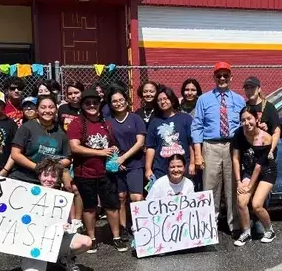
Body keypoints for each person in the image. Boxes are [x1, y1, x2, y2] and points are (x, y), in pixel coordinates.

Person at [0, 158, 92, 271]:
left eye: (54, 176)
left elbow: (67, 222)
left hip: (54, 241)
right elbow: (3, 214)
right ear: (39, 175)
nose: (49, 179)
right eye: (46, 174)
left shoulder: (62, 198)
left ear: (58, 179)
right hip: (33, 246)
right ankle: (28, 262)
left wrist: (65, 225)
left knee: (86, 242)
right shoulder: (25, 193)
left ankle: (62, 259)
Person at [67, 88, 128, 253]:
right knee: (90, 207)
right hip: (84, 172)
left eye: (95, 102)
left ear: (100, 104)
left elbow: (110, 145)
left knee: (112, 205)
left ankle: (116, 237)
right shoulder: (77, 123)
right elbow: (75, 147)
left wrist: (113, 150)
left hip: (105, 172)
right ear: (82, 105)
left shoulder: (105, 123)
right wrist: (99, 152)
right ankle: (92, 238)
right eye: (88, 103)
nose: (92, 105)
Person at [191, 62, 246, 233]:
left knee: (232, 186)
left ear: (231, 77)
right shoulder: (203, 99)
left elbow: (244, 124)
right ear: (214, 77)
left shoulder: (239, 99)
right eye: (218, 75)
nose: (222, 78)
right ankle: (209, 225)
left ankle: (234, 224)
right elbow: (197, 126)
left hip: (232, 146)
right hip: (211, 146)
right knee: (210, 186)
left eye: (225, 75)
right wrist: (198, 154)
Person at [231, 108, 277, 246]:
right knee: (242, 200)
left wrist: (250, 186)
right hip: (249, 170)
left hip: (266, 171)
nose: (246, 122)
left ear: (257, 119)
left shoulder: (266, 138)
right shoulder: (239, 134)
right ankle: (246, 232)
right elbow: (235, 159)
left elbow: (259, 165)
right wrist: (239, 182)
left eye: (249, 119)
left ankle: (270, 230)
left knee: (256, 205)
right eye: (243, 120)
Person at [106, 88, 147, 235]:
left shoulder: (136, 118)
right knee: (121, 197)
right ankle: (123, 228)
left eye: (120, 100)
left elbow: (140, 142)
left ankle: (140, 228)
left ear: (126, 100)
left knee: (137, 197)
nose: (118, 103)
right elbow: (107, 143)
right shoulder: (108, 122)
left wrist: (124, 158)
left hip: (135, 163)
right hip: (117, 164)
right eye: (114, 101)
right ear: (110, 104)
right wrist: (116, 161)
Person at [145, 86, 195, 183]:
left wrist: (192, 163)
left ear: (172, 100)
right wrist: (148, 169)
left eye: (165, 99)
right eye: (159, 100)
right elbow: (151, 147)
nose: (163, 102)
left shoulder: (185, 119)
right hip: (161, 169)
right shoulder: (155, 122)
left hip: (183, 167)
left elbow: (191, 143)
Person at [242, 76, 280, 160]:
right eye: (247, 88)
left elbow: (276, 131)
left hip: (265, 152)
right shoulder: (244, 108)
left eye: (252, 88)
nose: (249, 91)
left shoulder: (269, 107)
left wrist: (271, 150)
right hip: (249, 153)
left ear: (259, 89)